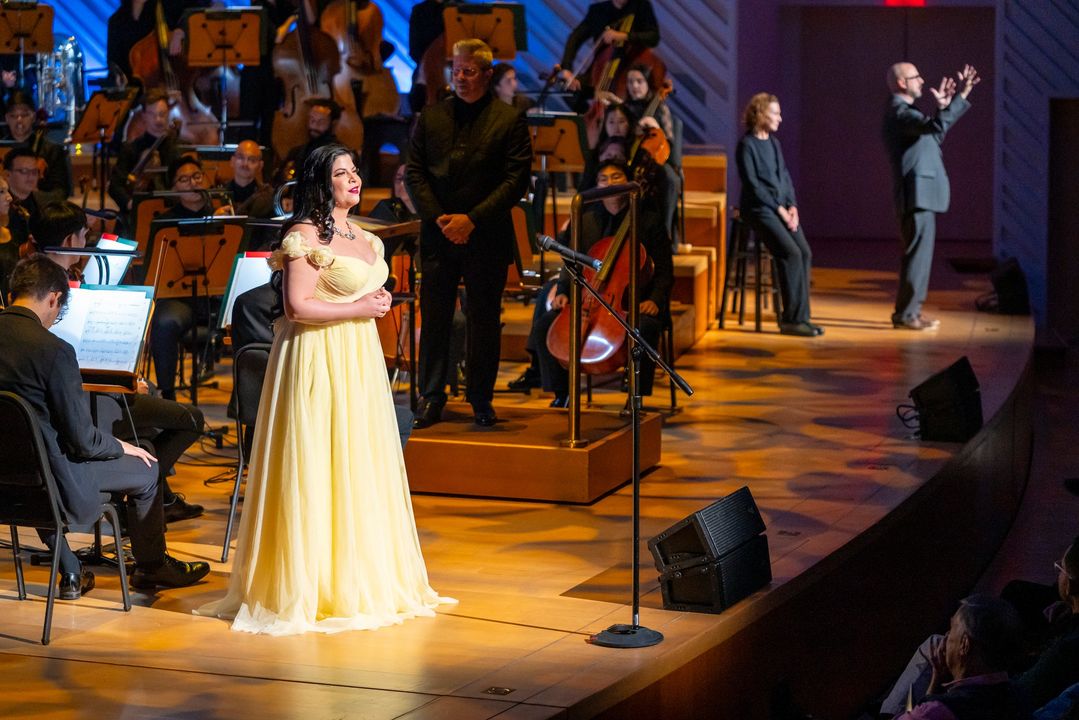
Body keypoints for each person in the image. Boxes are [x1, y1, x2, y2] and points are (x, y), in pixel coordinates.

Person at [195, 143, 453, 635]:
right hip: (314, 357)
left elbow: (357, 291)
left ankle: (353, 576)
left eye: (355, 171)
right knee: (316, 461)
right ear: (321, 183)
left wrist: (374, 299)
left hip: (357, 360)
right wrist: (360, 308)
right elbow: (296, 307)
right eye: (342, 173)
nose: (354, 179)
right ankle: (309, 582)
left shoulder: (363, 236)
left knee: (355, 461)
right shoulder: (302, 235)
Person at [0, 255, 210, 598]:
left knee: (28, 459)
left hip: (11, 482)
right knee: (148, 465)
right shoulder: (53, 351)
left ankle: (70, 568)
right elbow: (82, 442)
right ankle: (152, 567)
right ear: (54, 298)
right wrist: (121, 445)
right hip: (56, 483)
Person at [405, 38, 531, 428]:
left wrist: (471, 219)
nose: (460, 78)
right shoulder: (431, 116)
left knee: (483, 319)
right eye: (455, 70)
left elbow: (515, 180)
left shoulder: (509, 119)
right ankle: (431, 396)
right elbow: (414, 173)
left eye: (469, 71)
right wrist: (442, 218)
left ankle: (481, 398)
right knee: (437, 316)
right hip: (439, 232)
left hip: (486, 234)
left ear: (487, 74)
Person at [530, 161, 672, 408]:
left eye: (617, 177)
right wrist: (563, 292)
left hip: (634, 301)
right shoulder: (584, 221)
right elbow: (571, 264)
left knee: (644, 329)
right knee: (544, 326)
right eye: (603, 179)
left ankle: (635, 397)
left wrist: (655, 300)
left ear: (629, 184)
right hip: (589, 300)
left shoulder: (648, 221)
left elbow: (664, 269)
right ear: (596, 186)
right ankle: (561, 394)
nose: (610, 183)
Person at [883, 62, 979, 331]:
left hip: (921, 194)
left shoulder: (907, 113)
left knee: (920, 256)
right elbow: (935, 128)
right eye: (916, 77)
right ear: (902, 82)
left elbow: (933, 137)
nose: (922, 81)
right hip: (916, 195)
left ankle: (909, 312)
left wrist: (943, 109)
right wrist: (959, 98)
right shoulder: (899, 112)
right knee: (917, 256)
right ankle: (906, 315)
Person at [736, 93, 821, 337]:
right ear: (761, 114)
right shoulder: (747, 145)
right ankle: (791, 319)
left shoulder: (773, 143)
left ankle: (802, 317)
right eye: (775, 113)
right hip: (759, 209)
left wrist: (792, 205)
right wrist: (780, 210)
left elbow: (783, 176)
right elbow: (753, 186)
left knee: (804, 252)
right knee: (790, 253)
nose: (780, 118)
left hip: (780, 208)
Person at [888, 594, 1030, 720]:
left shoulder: (935, 711)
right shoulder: (1020, 697)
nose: (946, 636)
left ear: (964, 644)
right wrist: (936, 680)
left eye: (951, 629)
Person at [557, 0, 660, 111]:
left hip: (627, 76)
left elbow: (653, 37)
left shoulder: (641, 6)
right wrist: (567, 68)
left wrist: (623, 36)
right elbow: (575, 38)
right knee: (567, 89)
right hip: (599, 74)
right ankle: (589, 120)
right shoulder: (598, 11)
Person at [108, 90, 183, 222]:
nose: (158, 120)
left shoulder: (177, 149)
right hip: (138, 214)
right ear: (143, 116)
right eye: (152, 114)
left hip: (173, 213)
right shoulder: (131, 149)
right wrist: (131, 203)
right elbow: (115, 186)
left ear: (168, 114)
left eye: (162, 114)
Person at [1, 88, 72, 201]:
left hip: (41, 213)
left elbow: (62, 192)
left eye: (24, 115)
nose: (19, 120)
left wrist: (34, 196)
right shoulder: (2, 148)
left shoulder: (52, 150)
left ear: (33, 117)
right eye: (13, 116)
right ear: (7, 118)